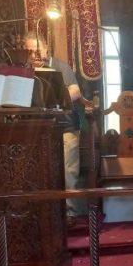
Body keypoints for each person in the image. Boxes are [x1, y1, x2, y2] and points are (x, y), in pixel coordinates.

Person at [24, 32, 89, 228]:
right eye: (29, 51)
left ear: (46, 48)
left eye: (37, 50)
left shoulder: (60, 66)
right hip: (38, 130)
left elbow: (75, 92)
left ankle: (69, 212)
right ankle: (40, 212)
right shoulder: (26, 69)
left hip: (65, 127)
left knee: (68, 170)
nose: (34, 55)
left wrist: (51, 100)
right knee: (38, 169)